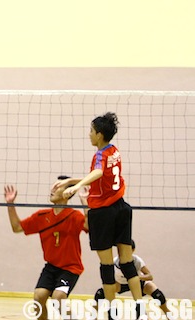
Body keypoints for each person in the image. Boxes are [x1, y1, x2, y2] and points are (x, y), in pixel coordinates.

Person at [56, 112, 145, 317]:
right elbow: (100, 174)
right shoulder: (114, 151)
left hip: (103, 213)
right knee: (126, 261)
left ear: (100, 134)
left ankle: (112, 310)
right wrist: (71, 181)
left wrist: (76, 186)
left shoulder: (99, 155)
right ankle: (139, 306)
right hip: (121, 208)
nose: (89, 135)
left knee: (106, 264)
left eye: (91, 131)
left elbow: (97, 172)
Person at [4, 176, 89, 320]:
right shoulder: (42, 216)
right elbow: (17, 227)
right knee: (38, 297)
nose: (52, 190)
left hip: (70, 268)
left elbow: (89, 226)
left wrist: (84, 202)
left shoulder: (74, 216)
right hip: (51, 267)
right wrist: (10, 204)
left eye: (57, 187)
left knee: (58, 298)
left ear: (67, 193)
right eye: (53, 187)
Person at [94, 240, 173, 318]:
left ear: (132, 250)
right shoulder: (114, 262)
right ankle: (94, 316)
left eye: (126, 249)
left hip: (137, 283)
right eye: (120, 250)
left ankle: (168, 315)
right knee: (100, 294)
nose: (123, 252)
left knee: (158, 295)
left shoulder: (137, 261)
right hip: (120, 284)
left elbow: (150, 276)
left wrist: (136, 278)